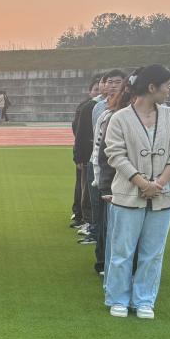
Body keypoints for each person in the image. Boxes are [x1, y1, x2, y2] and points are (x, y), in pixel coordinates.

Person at [103, 65, 170, 319]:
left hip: (163, 196)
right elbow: (115, 154)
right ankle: (118, 298)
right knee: (122, 251)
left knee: (153, 253)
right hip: (128, 194)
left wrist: (159, 183)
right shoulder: (120, 118)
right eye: (167, 85)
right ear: (152, 87)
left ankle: (144, 299)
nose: (169, 90)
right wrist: (142, 183)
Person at [78, 70, 125, 245]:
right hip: (96, 160)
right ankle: (97, 236)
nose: (112, 86)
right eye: (109, 82)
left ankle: (111, 240)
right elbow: (96, 135)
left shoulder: (127, 108)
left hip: (116, 163)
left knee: (114, 204)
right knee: (96, 201)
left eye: (117, 82)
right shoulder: (98, 107)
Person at [70, 75, 102, 229]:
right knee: (84, 187)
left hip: (98, 153)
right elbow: (78, 130)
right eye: (95, 89)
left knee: (92, 188)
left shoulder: (110, 106)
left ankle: (89, 218)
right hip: (87, 153)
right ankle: (81, 216)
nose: (98, 92)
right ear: (90, 92)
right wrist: (79, 156)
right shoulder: (86, 107)